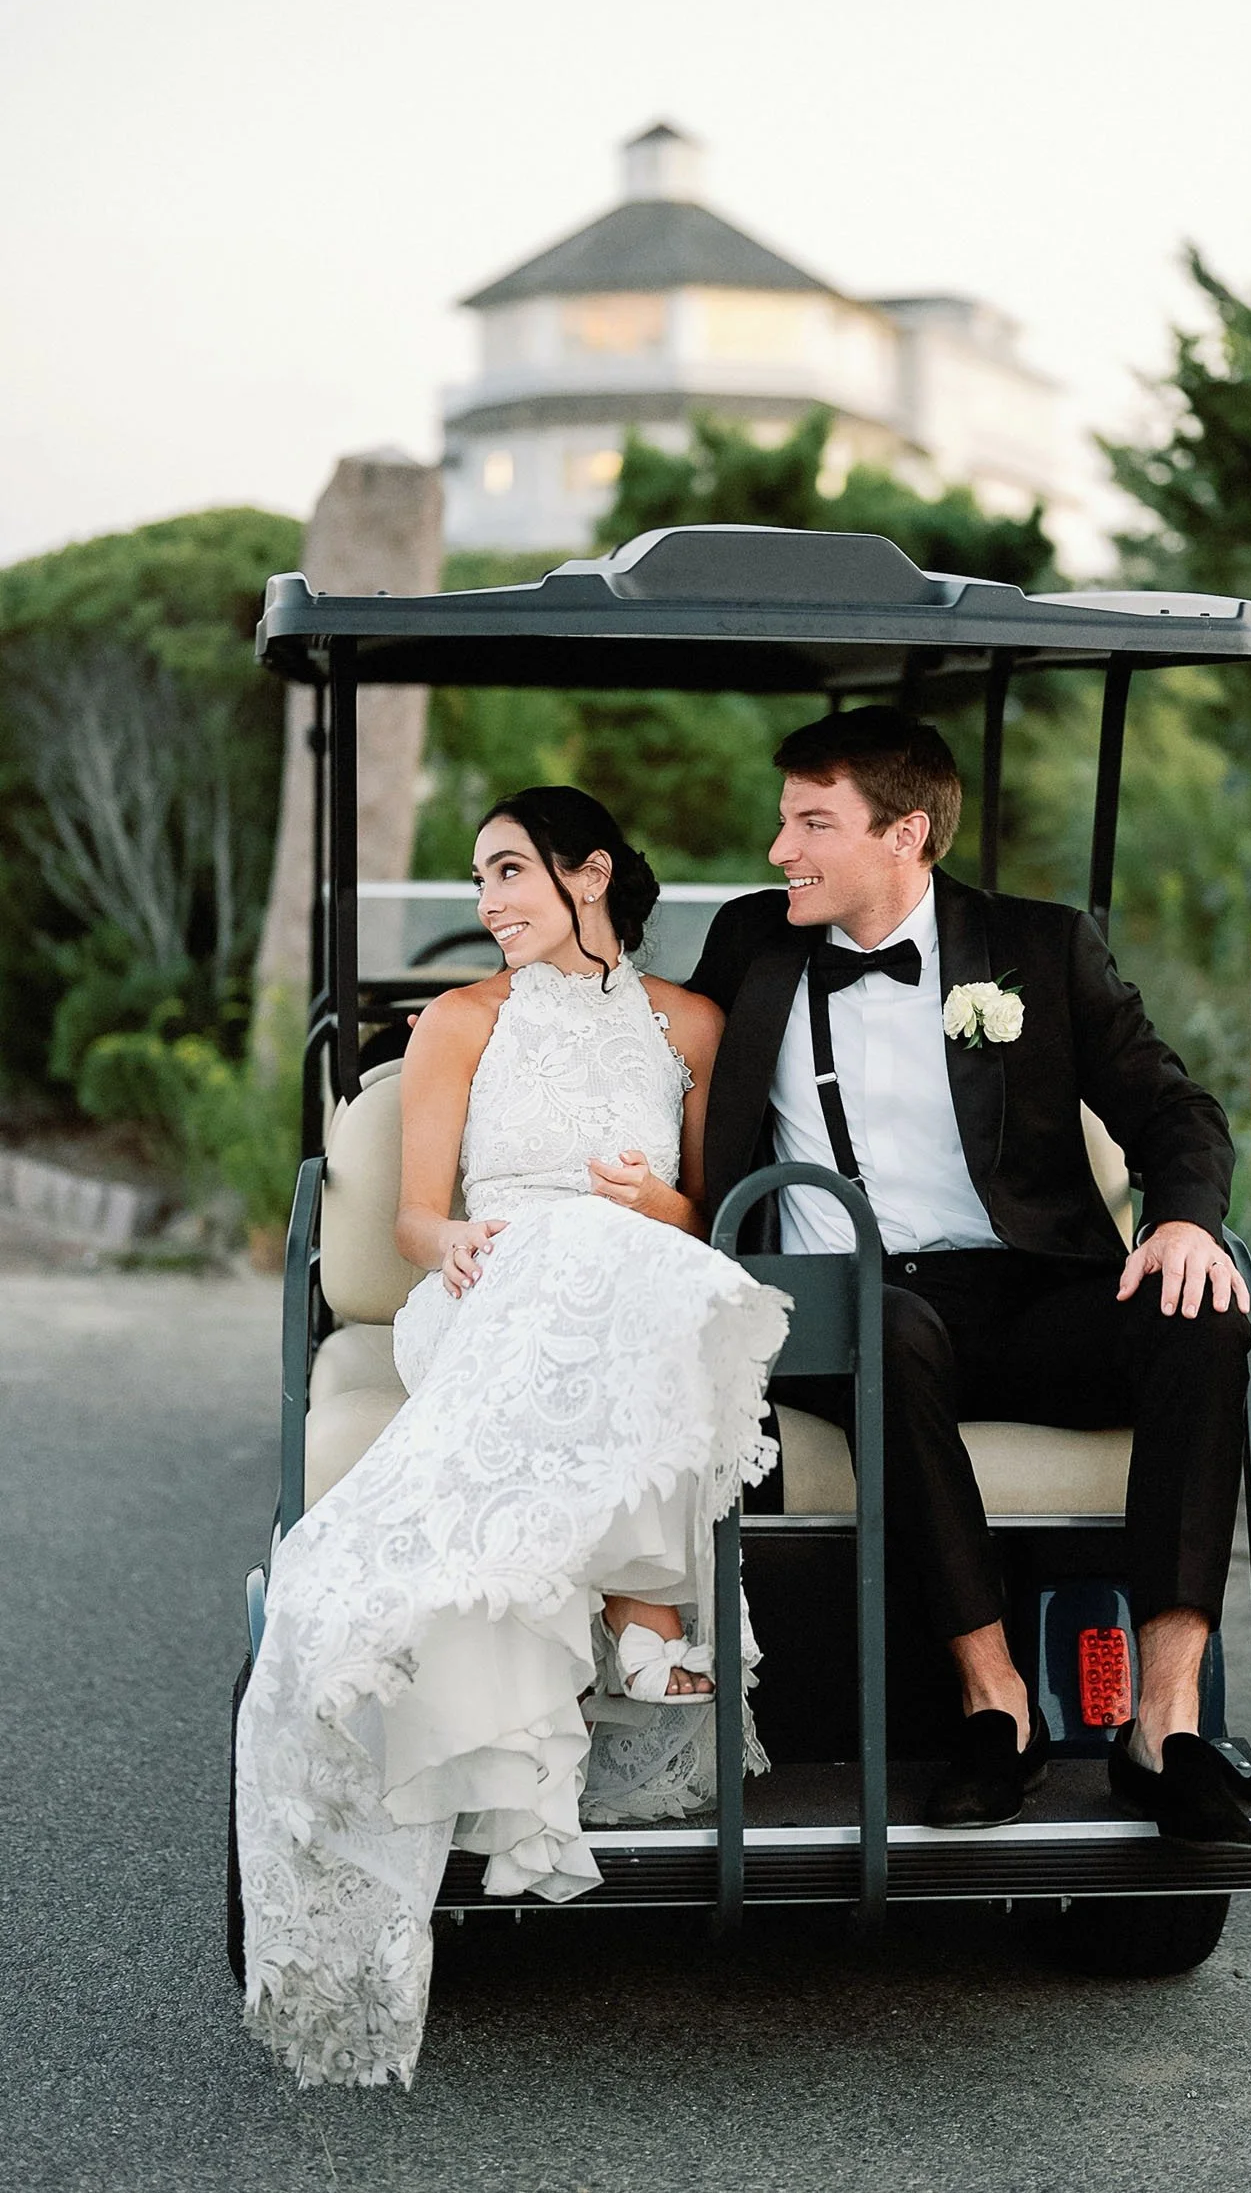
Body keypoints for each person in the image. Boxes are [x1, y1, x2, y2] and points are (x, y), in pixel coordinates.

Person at [236, 788, 790, 2087]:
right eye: (478, 880)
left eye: (507, 873)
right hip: (487, 1293)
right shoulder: (457, 1023)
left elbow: (708, 1214)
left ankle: (633, 1634)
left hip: (633, 1278)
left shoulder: (692, 1026)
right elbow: (419, 1221)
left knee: (656, 1281)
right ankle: (649, 1631)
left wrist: (658, 1201)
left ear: (589, 875)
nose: (486, 904)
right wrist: (462, 1241)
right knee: (574, 1272)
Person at [689, 707, 1251, 1840]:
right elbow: (651, 1046)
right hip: (840, 1305)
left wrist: (1186, 1220)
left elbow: (1172, 1107)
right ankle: (995, 1707)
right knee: (884, 1322)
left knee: (1205, 1319)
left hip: (1028, 1291)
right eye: (784, 818)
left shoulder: (1041, 949)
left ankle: (1166, 1721)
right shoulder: (752, 942)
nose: (779, 849)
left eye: (812, 822)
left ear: (906, 835)